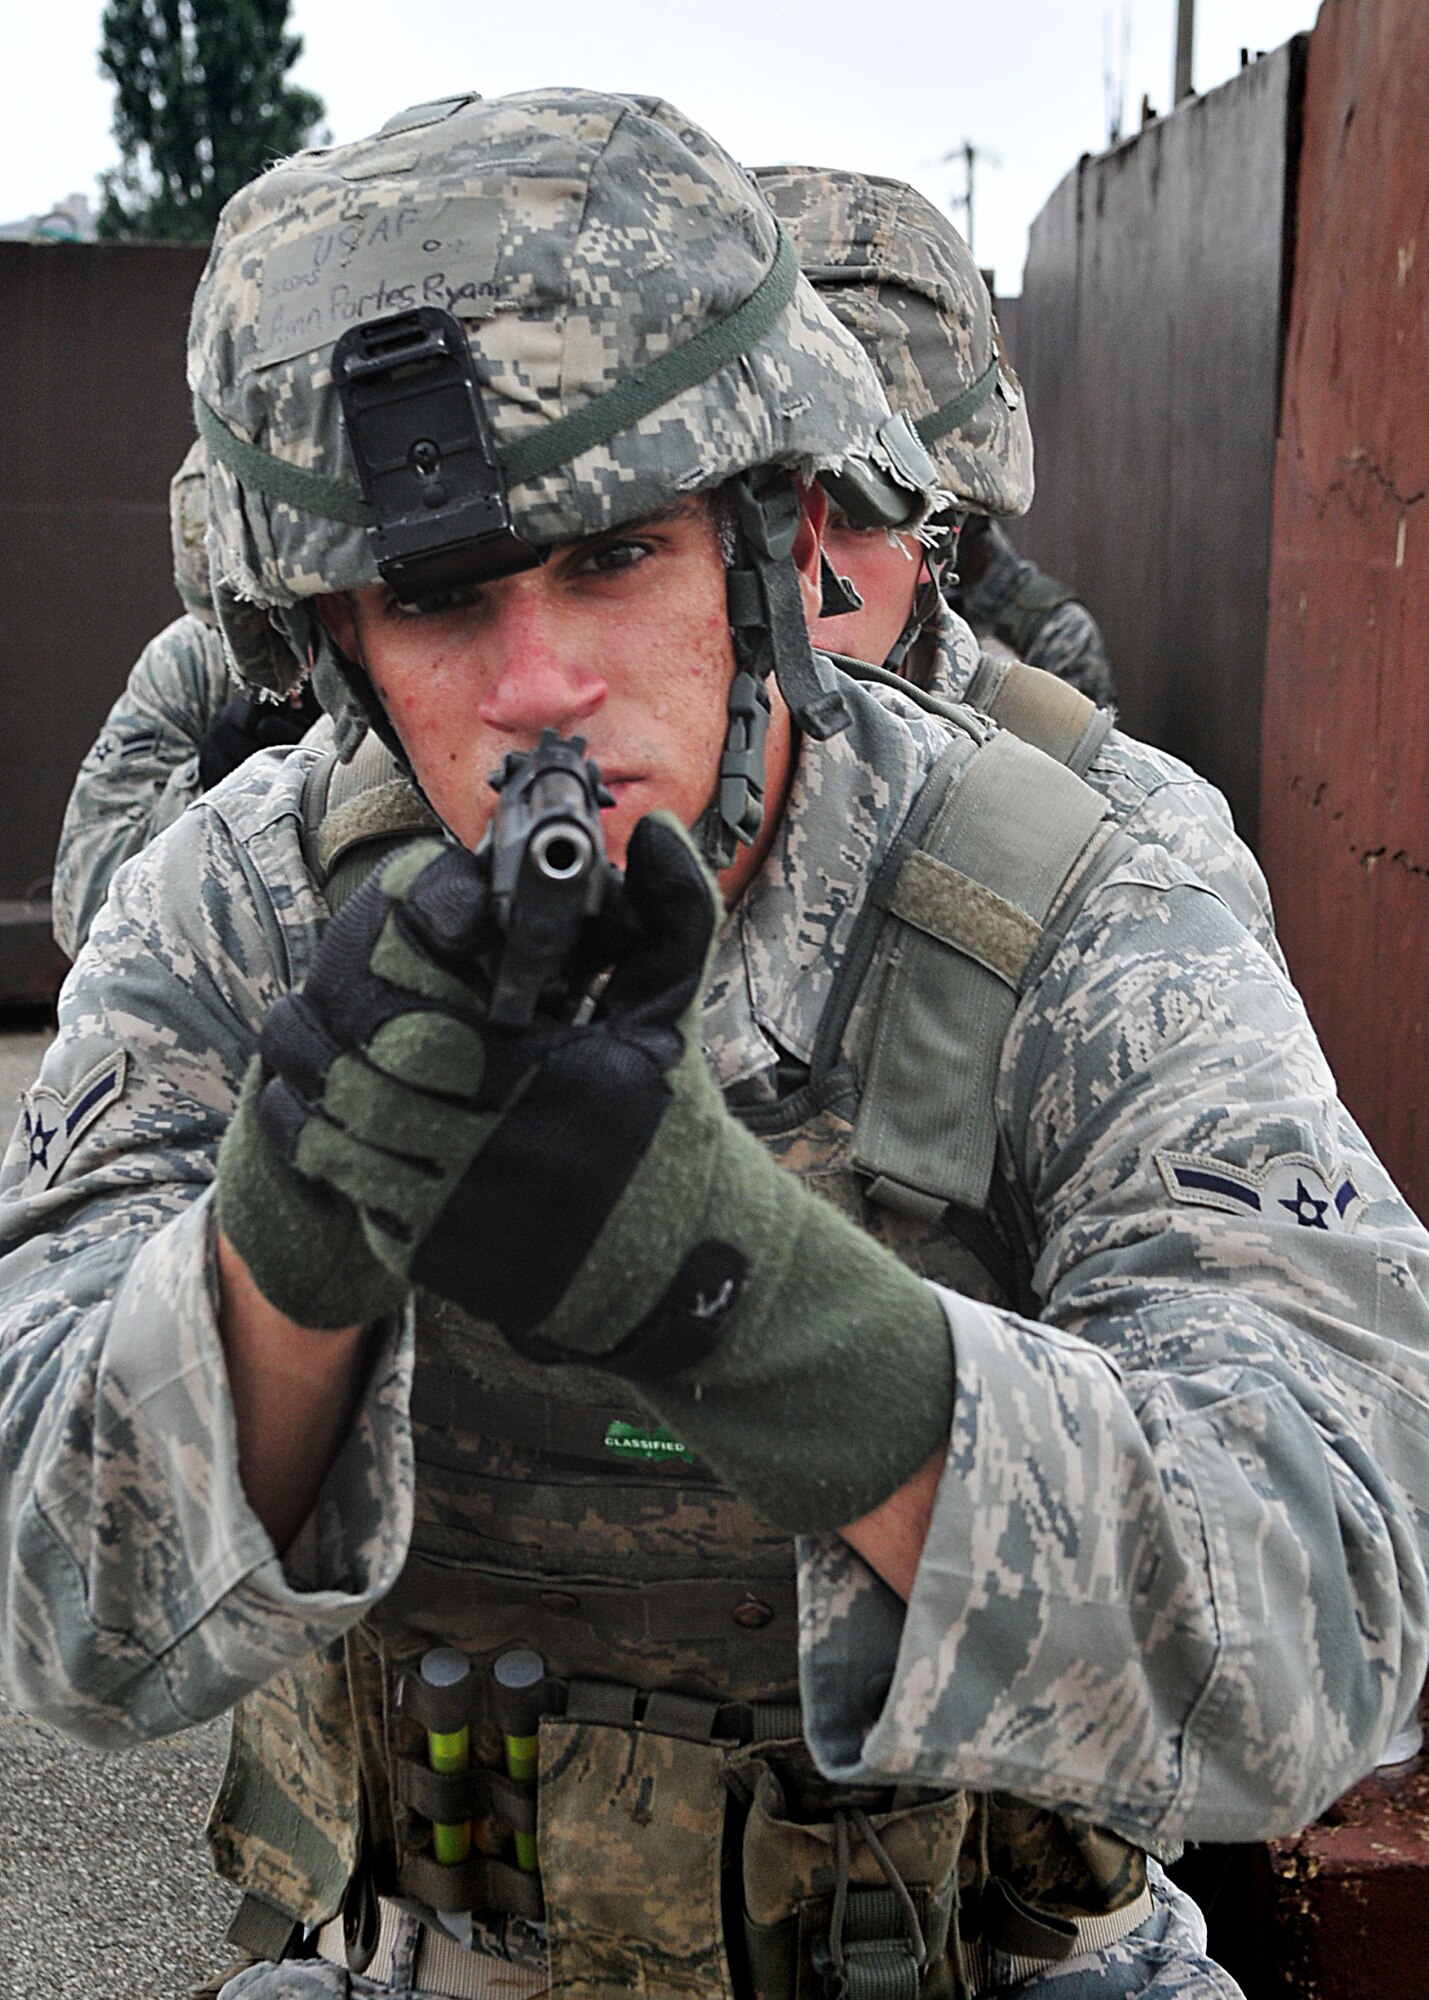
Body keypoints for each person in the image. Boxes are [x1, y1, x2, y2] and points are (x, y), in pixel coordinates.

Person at [2, 87, 1427, 2000]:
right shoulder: (236, 916)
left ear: (770, 543)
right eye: (438, 600)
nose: (535, 689)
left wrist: (740, 1302)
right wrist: (284, 1261)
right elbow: (59, 1626)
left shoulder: (1081, 891)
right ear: (335, 633)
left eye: (611, 558)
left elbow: (1327, 1628)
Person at [756, 165, 1279, 961]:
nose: (801, 574)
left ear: (941, 533)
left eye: (857, 514)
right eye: (751, 510)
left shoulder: (1128, 842)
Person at [51, 439, 316, 961]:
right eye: (233, 631)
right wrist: (204, 788)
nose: (259, 653)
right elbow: (85, 911)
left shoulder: (393, 647)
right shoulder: (191, 662)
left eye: (281, 626)